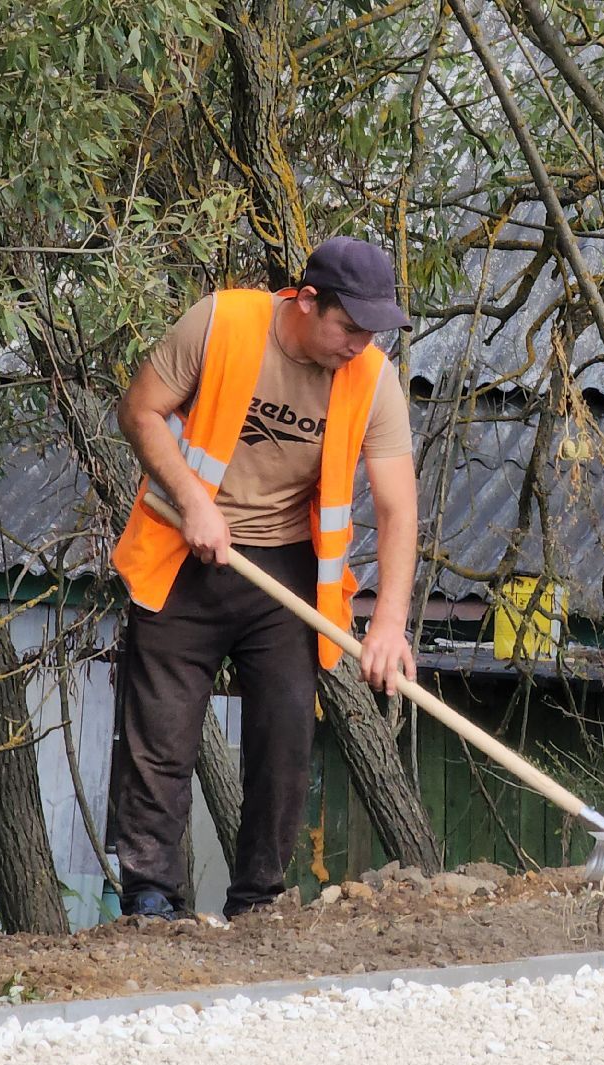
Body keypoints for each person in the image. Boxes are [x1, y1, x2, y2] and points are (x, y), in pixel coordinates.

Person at [109, 237, 420, 921]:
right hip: (185, 552)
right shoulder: (223, 324)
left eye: (373, 331)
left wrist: (390, 622)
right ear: (307, 302)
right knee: (160, 738)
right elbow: (140, 410)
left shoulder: (372, 377)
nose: (359, 343)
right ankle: (151, 898)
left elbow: (399, 507)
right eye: (348, 326)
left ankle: (258, 901)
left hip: (284, 568)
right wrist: (194, 501)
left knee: (284, 737)